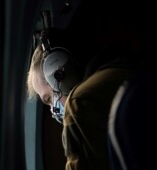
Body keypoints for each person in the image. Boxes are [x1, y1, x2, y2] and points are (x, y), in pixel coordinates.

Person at [26, 1, 152, 169]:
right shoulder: (128, 70)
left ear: (60, 75)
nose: (53, 110)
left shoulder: (80, 103)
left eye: (49, 98)